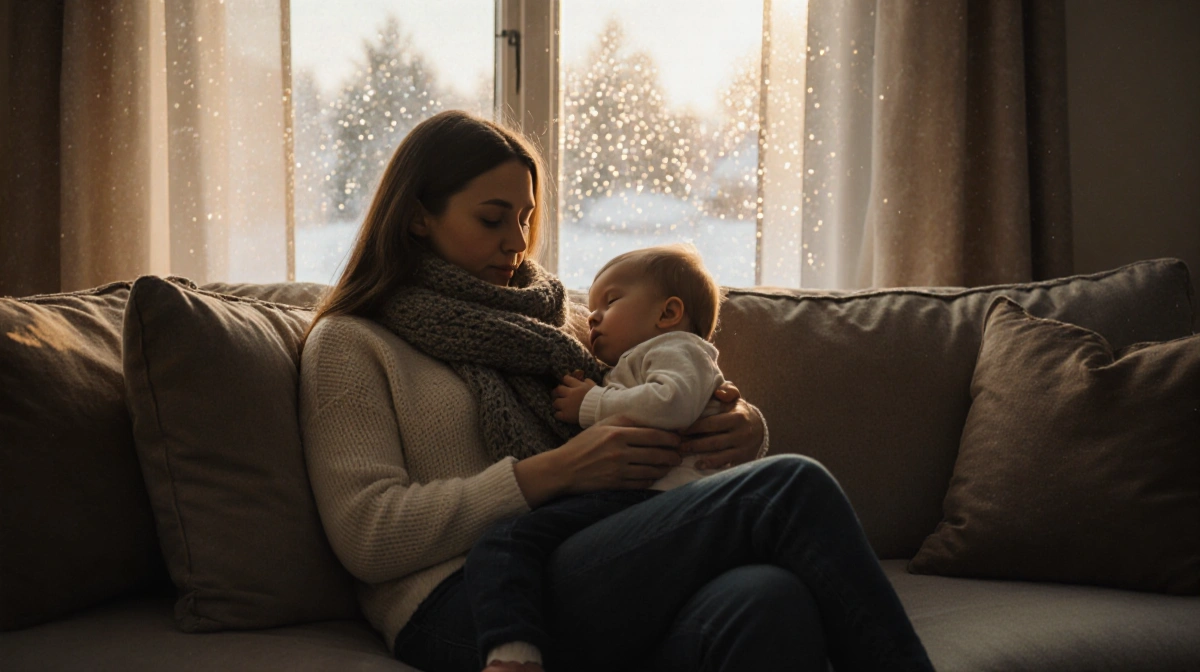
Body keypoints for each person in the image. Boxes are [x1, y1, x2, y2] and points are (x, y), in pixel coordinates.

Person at [299, 109, 934, 672]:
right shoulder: (353, 344)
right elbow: (369, 536)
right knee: (792, 487)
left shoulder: (559, 323)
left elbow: (662, 386)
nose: (518, 243)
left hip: (588, 558)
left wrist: (740, 425)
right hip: (463, 604)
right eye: (492, 218)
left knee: (769, 600)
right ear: (417, 217)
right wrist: (553, 472)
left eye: (525, 218)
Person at [465, 244, 735, 671]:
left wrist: (591, 403)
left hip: (657, 498)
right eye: (592, 307)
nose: (591, 317)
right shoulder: (637, 357)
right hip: (645, 501)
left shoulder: (676, 347)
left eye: (610, 302)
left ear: (667, 314)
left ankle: (515, 659)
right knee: (509, 543)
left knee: (507, 542)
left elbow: (674, 403)